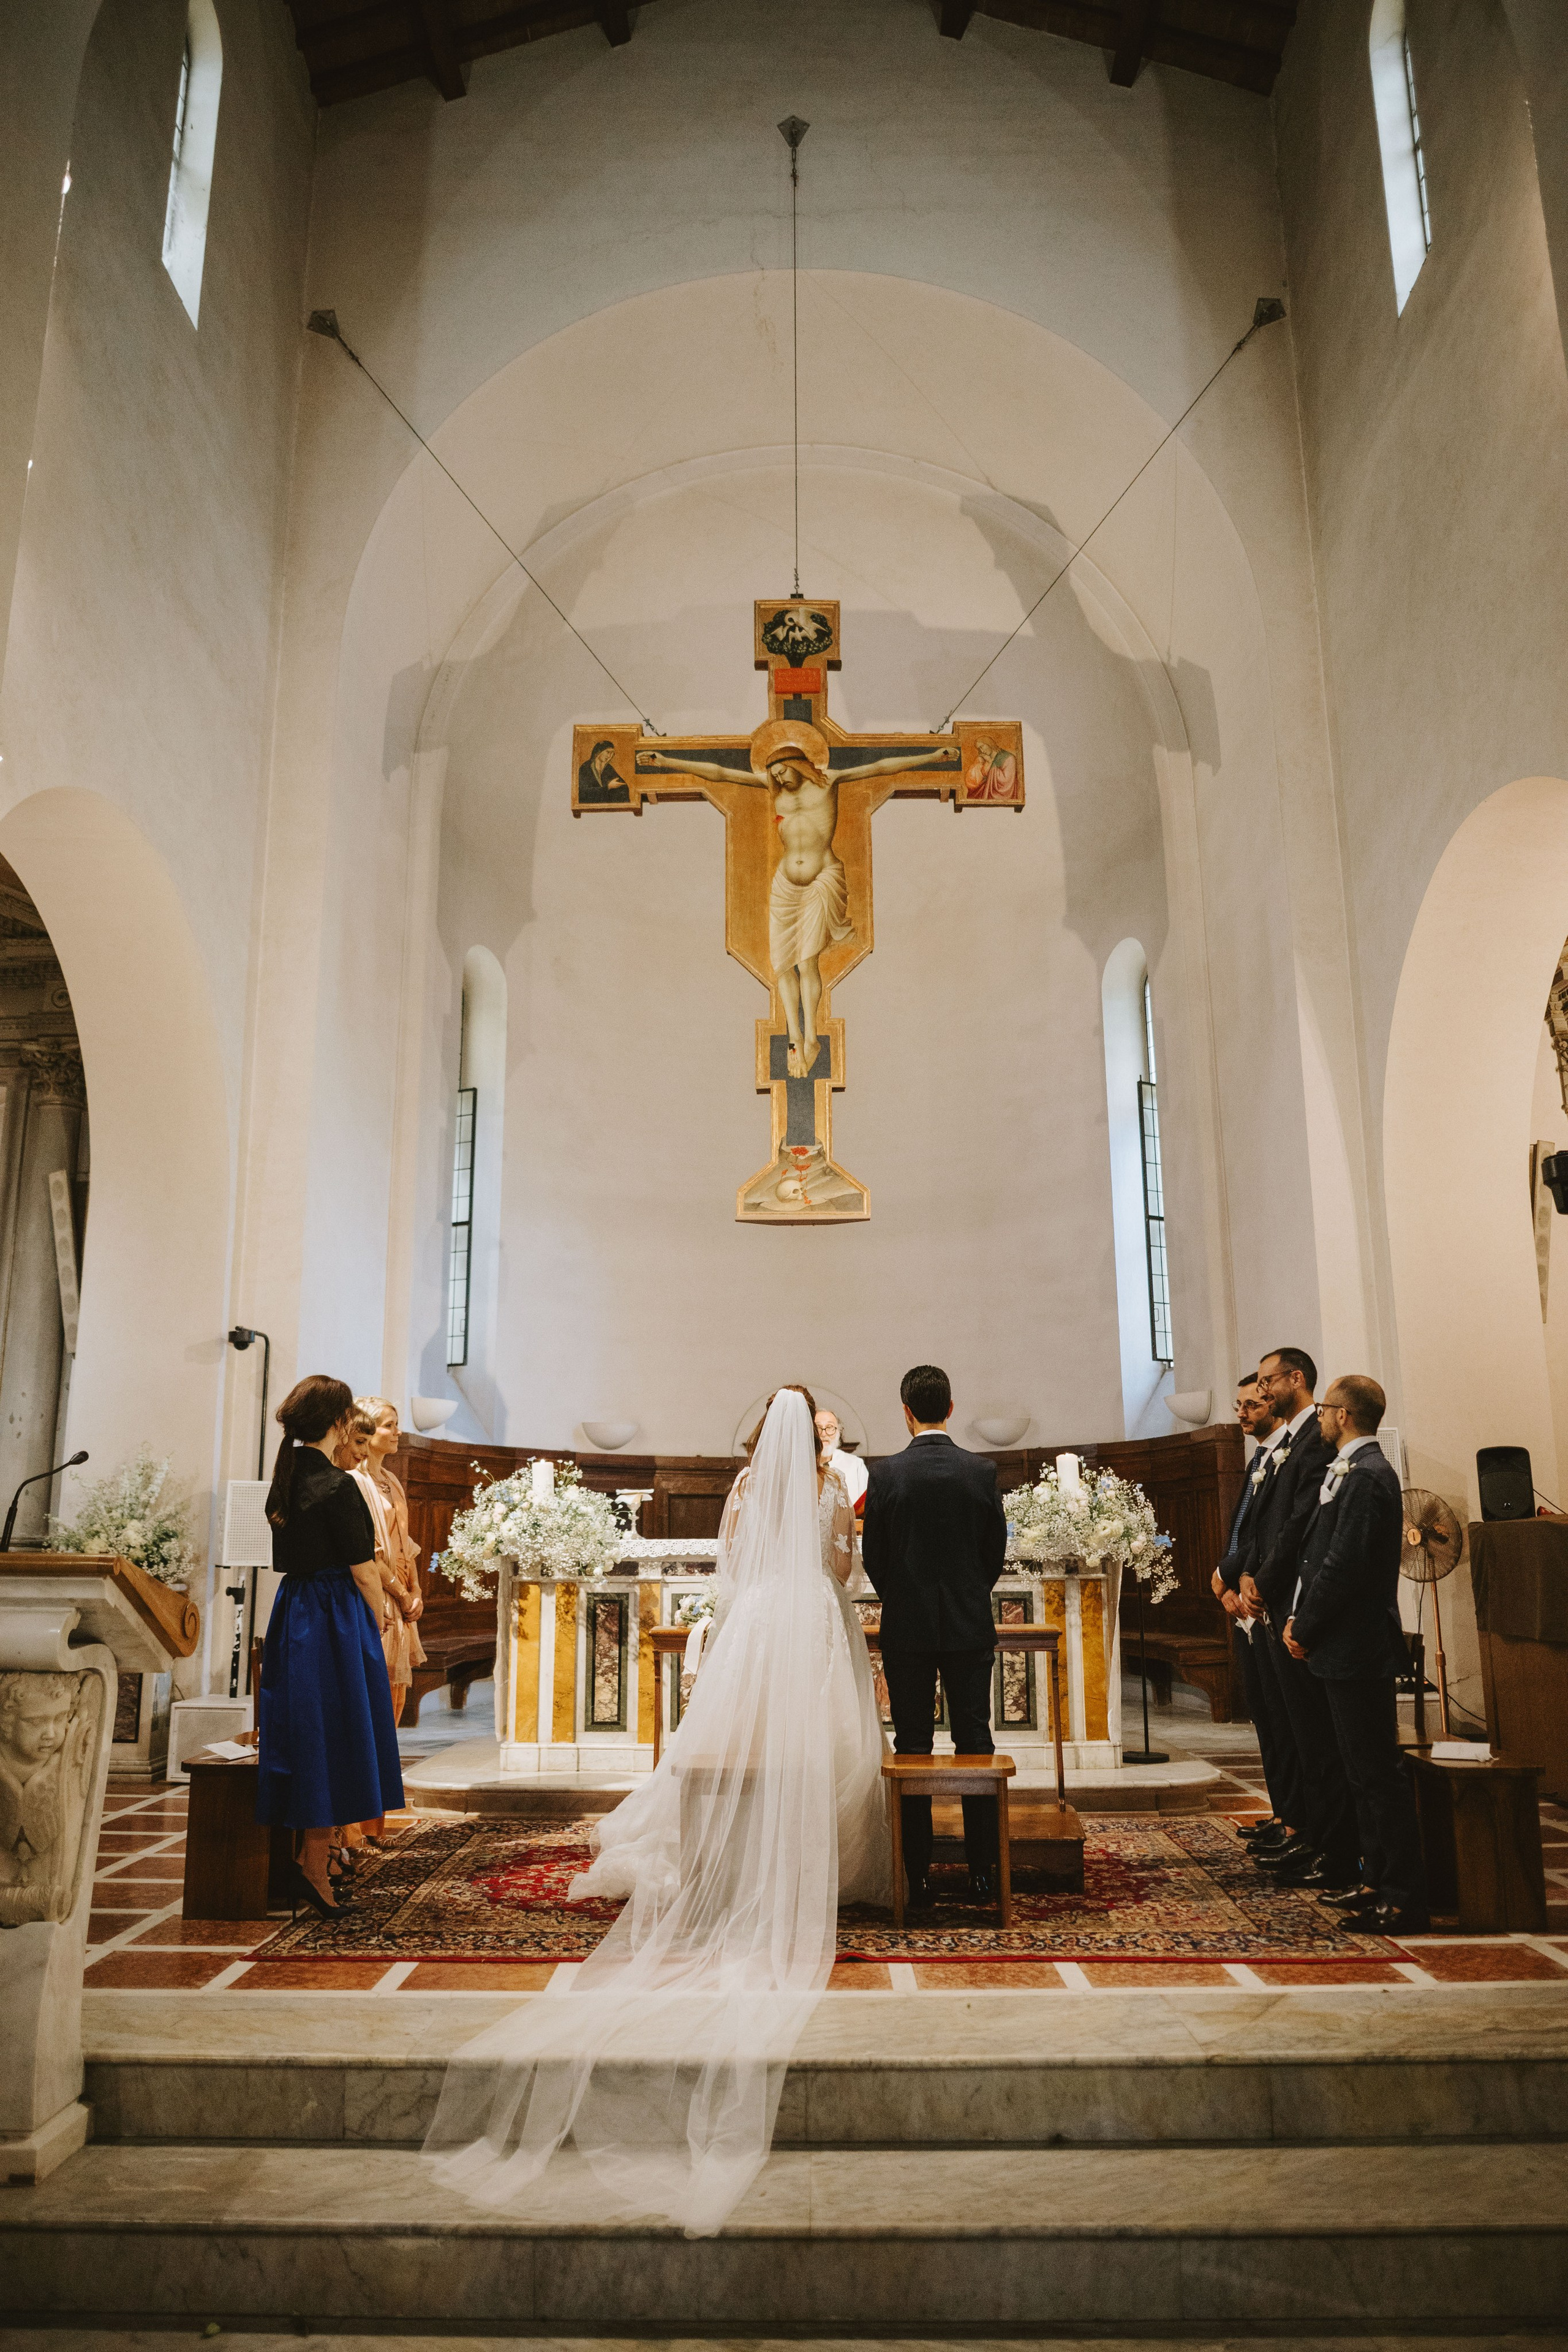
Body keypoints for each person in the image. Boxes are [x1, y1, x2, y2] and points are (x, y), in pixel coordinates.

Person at [425, 1385, 889, 2236]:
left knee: (745, 1752)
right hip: (816, 1624)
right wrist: (814, 1587)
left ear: (759, 1434)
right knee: (824, 1749)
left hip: (757, 1622)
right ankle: (816, 1858)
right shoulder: (829, 1488)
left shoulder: (747, 1487)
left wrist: (760, 1605)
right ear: (817, 1429)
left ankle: (738, 1861)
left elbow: (736, 1565)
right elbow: (842, 1570)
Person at [1284, 1376, 1430, 1934]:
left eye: (1323, 1410)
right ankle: (1375, 1879)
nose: (1318, 1418)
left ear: (1342, 1415)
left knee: (1378, 1775)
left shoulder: (1367, 1476)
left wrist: (1305, 1622)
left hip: (1356, 1643)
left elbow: (1343, 1566)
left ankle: (1404, 1896)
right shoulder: (1351, 1471)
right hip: (1339, 1642)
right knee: (1360, 1772)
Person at [255, 1375, 405, 1918]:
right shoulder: (339, 1485)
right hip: (335, 1616)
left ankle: (312, 1860)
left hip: (293, 1609)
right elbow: (364, 1570)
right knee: (335, 1738)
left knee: (306, 1736)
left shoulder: (285, 1478)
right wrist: (378, 1622)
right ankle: (313, 1868)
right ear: (340, 1422)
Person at [861, 1362, 1008, 1909]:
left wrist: (903, 1598)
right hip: (970, 1626)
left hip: (908, 1628)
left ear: (906, 1413)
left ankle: (916, 1875)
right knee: (976, 1743)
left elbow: (874, 1556)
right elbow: (993, 1552)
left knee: (913, 1748)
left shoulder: (887, 1474)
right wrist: (969, 1592)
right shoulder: (981, 1471)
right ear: (950, 1408)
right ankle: (984, 1873)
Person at [1245, 1347, 1360, 1896]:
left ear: (1296, 1378)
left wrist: (1263, 1581)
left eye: (1269, 1381)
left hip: (1293, 1601)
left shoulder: (1315, 1443)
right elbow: (1266, 1525)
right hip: (1274, 1598)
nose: (1263, 1392)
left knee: (1315, 1739)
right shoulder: (1294, 1443)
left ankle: (1327, 1843)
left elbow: (1297, 1526)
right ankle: (1309, 1832)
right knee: (1294, 1731)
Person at [1212, 1373, 1304, 1849]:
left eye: (1251, 1404)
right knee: (1265, 1717)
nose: (1242, 1413)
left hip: (1266, 1598)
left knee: (1286, 1720)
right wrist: (1227, 1578)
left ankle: (1297, 1821)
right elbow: (1246, 1531)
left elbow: (1270, 1536)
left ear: (1272, 1403)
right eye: (1239, 1405)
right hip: (1244, 1596)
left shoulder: (1288, 1457)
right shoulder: (1258, 1462)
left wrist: (1235, 1576)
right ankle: (1282, 1810)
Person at [355, 1393, 427, 1727]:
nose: (398, 1432)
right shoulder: (357, 1481)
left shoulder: (391, 1480)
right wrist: (399, 1592)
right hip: (378, 1591)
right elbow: (366, 1552)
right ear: (367, 1433)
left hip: (401, 1592)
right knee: (376, 1686)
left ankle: (387, 1767)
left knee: (398, 1689)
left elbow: (404, 1544)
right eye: (389, 1426)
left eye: (397, 1425)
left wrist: (417, 1592)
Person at [814, 1405, 868, 1511]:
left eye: (830, 1428)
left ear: (839, 1432)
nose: (824, 1434)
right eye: (818, 1428)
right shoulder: (801, 1464)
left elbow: (867, 1504)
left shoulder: (856, 1464)